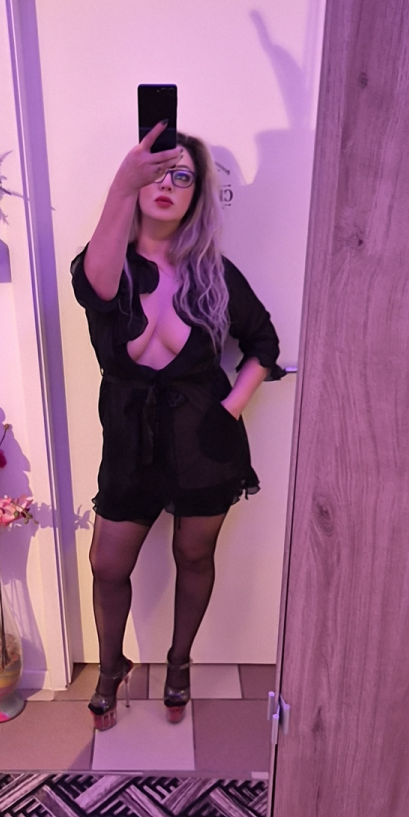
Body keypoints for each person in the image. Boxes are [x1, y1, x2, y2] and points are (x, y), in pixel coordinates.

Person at [71, 122, 283, 731]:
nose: (167, 185)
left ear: (196, 196)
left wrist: (230, 408)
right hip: (130, 446)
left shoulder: (214, 273)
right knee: (108, 565)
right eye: (156, 173)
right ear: (136, 182)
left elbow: (264, 344)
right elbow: (92, 286)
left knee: (194, 555)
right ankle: (111, 667)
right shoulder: (109, 266)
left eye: (182, 176)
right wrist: (122, 182)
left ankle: (179, 661)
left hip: (205, 444)